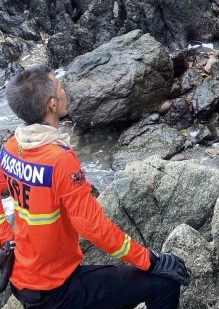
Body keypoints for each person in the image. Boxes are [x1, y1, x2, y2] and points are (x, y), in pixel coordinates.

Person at [0, 66, 190, 309]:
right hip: (55, 290)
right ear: (52, 104)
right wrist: (150, 260)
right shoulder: (59, 160)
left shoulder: (12, 147)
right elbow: (92, 227)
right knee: (164, 284)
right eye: (60, 87)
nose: (64, 91)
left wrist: (7, 239)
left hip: (22, 278)